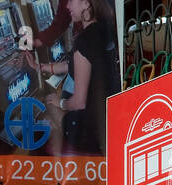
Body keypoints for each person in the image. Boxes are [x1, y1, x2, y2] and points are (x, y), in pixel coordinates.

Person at [38, 0, 120, 153]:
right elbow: (71, 65)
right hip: (109, 118)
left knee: (48, 103)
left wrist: (60, 102)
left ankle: (61, 163)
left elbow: (79, 103)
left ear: (87, 4)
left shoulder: (83, 41)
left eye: (71, 1)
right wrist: (41, 67)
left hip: (92, 131)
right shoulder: (103, 28)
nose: (67, 6)